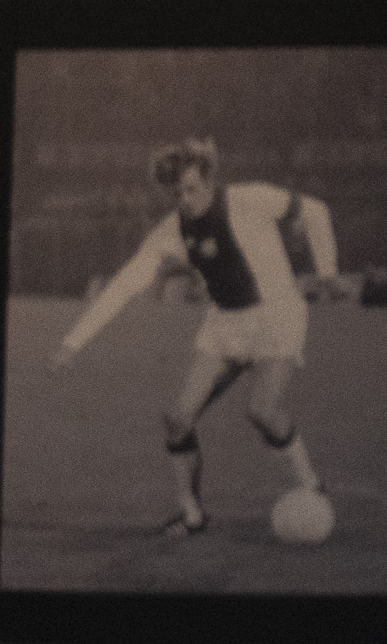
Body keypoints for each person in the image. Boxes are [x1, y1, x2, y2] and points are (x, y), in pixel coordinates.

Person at [55, 137, 341, 532]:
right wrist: (74, 342)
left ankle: (312, 487)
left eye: (192, 188)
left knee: (261, 410)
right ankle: (192, 514)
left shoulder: (250, 198)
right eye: (176, 193)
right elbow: (123, 286)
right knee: (178, 419)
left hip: (277, 317)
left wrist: (326, 272)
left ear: (208, 179)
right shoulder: (170, 232)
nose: (185, 199)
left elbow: (316, 211)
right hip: (225, 325)